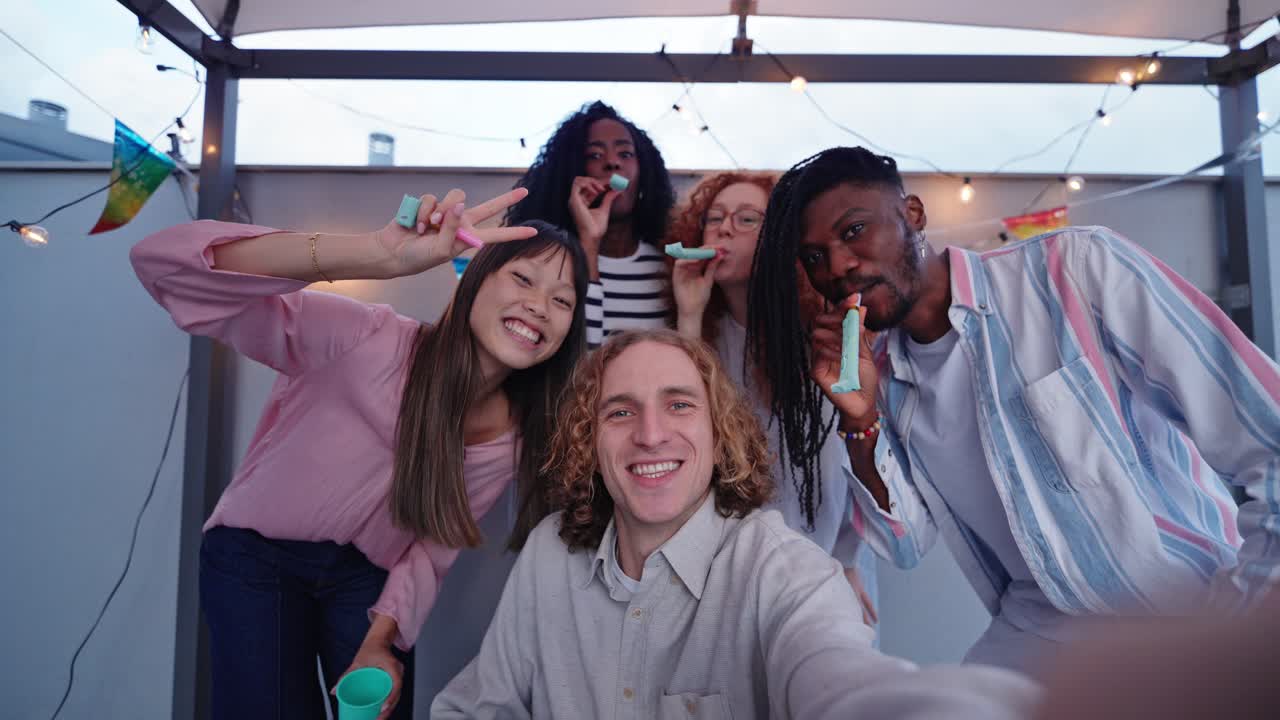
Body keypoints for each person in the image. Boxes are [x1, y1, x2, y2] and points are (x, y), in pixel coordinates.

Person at [747, 145, 1280, 676]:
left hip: (1180, 615)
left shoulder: (1073, 271)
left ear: (912, 215)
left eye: (853, 231)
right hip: (1035, 634)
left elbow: (1269, 437)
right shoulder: (875, 371)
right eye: (815, 256)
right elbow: (902, 544)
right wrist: (860, 420)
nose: (838, 266)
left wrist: (1237, 626)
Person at [130, 188, 589, 719]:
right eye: (523, 278)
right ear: (475, 281)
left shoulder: (513, 437)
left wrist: (383, 640)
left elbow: (431, 550)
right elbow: (165, 264)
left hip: (366, 584)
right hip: (255, 559)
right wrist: (378, 254)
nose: (539, 305)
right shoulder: (365, 337)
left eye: (562, 300)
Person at [431, 329, 1039, 719]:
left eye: (679, 404)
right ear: (588, 443)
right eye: (620, 412)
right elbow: (477, 707)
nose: (649, 434)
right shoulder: (548, 553)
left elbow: (843, 683)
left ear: (720, 437)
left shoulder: (785, 570)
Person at [667, 171, 877, 624]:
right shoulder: (698, 338)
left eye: (746, 219)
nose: (723, 229)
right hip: (722, 578)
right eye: (714, 218)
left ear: (781, 239)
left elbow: (849, 462)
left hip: (818, 572)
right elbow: (684, 441)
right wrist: (689, 312)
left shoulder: (825, 338)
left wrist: (846, 559)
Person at [506, 100, 677, 347]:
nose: (612, 163)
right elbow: (576, 362)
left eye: (625, 154)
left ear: (644, 173)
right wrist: (589, 242)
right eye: (594, 155)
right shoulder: (548, 264)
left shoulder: (667, 264)